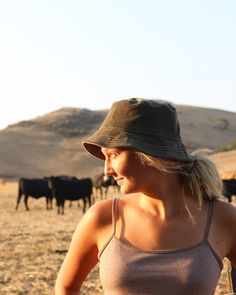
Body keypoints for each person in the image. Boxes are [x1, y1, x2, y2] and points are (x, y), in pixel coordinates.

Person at [55, 98, 236, 295]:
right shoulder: (102, 217)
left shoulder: (223, 218)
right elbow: (67, 287)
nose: (107, 171)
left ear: (149, 154)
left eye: (114, 154)